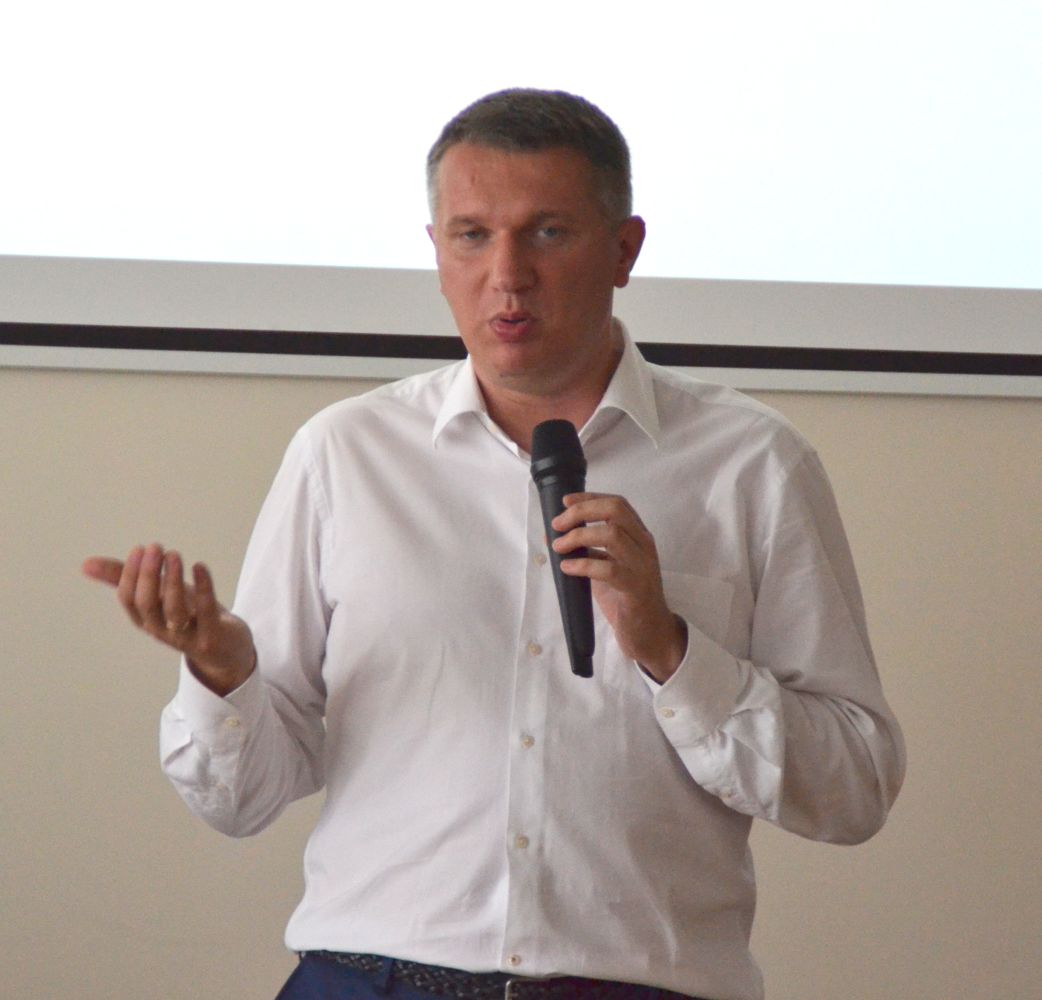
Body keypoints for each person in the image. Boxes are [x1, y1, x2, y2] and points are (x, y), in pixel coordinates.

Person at [83, 89, 905, 1000]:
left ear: (625, 250)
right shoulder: (346, 454)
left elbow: (855, 786)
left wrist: (671, 649)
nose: (507, 276)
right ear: (436, 250)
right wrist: (221, 671)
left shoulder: (752, 463)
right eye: (471, 236)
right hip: (368, 980)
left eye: (547, 233)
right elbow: (240, 800)